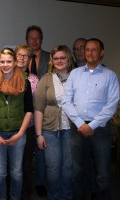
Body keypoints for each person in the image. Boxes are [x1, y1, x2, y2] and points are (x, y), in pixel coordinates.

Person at [62, 38, 120, 200]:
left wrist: (92, 125)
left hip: (100, 130)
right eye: (87, 49)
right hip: (77, 129)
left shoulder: (110, 76)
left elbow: (111, 105)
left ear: (102, 53)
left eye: (94, 49)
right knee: (78, 172)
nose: (89, 52)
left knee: (102, 175)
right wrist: (81, 124)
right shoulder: (75, 74)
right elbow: (66, 101)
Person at [0, 47, 33, 200]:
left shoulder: (25, 81)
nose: (5, 65)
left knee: (17, 173)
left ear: (15, 62)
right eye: (2, 62)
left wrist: (20, 134)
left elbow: (29, 110)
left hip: (18, 133)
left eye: (9, 61)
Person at [34, 45, 74, 200]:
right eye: (56, 58)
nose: (59, 61)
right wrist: (39, 134)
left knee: (68, 168)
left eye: (62, 57)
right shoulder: (46, 78)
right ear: (52, 60)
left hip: (71, 129)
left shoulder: (76, 76)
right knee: (52, 168)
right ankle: (54, 196)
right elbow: (38, 108)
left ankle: (67, 196)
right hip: (50, 131)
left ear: (68, 58)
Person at [25, 25, 50, 196]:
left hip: (45, 111)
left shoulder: (50, 58)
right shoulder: (20, 57)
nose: (34, 41)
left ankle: (40, 182)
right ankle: (24, 184)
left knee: (42, 149)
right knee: (25, 151)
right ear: (26, 40)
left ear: (42, 39)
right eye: (31, 38)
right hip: (24, 113)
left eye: (37, 38)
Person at [72, 37, 97, 199]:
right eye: (77, 48)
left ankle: (93, 191)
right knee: (78, 165)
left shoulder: (102, 71)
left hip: (96, 126)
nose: (80, 51)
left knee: (94, 162)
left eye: (83, 47)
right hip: (75, 124)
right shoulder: (71, 71)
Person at [14, 44, 39, 199]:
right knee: (11, 165)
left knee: (26, 163)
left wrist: (38, 132)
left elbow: (37, 106)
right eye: (19, 55)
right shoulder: (6, 75)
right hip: (11, 127)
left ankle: (25, 194)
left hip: (28, 128)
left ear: (29, 59)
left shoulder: (35, 80)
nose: (22, 58)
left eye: (25, 56)